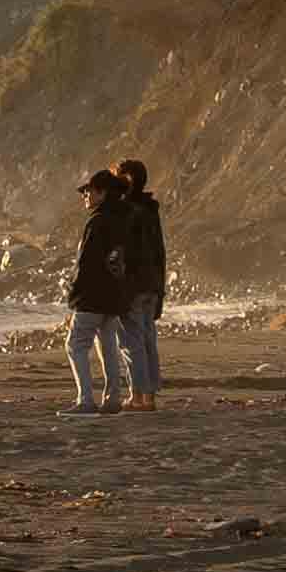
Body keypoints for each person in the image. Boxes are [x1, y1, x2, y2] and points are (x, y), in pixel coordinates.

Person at [62, 167, 134, 415]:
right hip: (114, 294)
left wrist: (74, 294)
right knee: (107, 346)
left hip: (93, 296)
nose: (85, 196)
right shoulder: (123, 219)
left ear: (101, 193)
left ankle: (85, 400)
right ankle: (113, 398)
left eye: (88, 191)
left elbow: (87, 263)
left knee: (75, 344)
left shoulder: (97, 221)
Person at [111, 158, 174, 411]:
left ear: (125, 179)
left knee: (130, 341)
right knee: (147, 340)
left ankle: (138, 396)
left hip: (133, 285)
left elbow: (122, 252)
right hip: (151, 284)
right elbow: (160, 251)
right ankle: (149, 396)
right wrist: (161, 290)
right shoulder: (150, 209)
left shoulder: (126, 212)